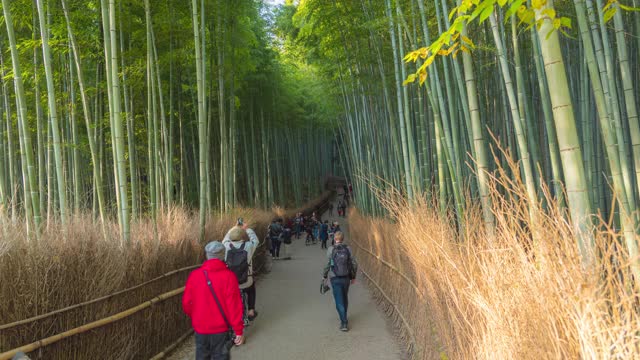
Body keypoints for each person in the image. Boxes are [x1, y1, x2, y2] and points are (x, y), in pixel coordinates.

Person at [183, 241, 244, 360]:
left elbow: (186, 304)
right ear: (223, 255)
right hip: (221, 330)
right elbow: (234, 306)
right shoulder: (229, 277)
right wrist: (238, 330)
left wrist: (196, 316)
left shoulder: (194, 275)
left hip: (200, 328)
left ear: (207, 255)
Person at [223, 222, 260, 322]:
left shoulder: (226, 246)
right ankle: (251, 310)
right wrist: (247, 229)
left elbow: (225, 238)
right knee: (251, 289)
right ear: (242, 236)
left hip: (232, 282)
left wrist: (234, 227)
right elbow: (255, 240)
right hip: (246, 280)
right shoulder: (248, 246)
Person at [322, 231, 357, 331]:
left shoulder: (330, 249)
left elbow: (328, 264)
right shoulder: (348, 249)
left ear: (334, 239)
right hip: (346, 277)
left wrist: (324, 276)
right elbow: (354, 264)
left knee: (338, 300)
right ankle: (344, 316)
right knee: (344, 297)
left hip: (335, 278)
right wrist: (353, 276)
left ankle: (344, 322)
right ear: (343, 239)